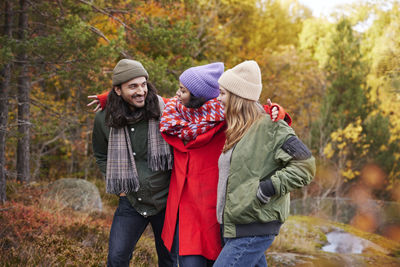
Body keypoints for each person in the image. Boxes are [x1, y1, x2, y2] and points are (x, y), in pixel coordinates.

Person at [214, 60, 316, 267]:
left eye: (223, 93)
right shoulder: (237, 128)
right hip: (235, 225)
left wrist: (268, 187)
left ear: (237, 97)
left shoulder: (272, 126)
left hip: (255, 223)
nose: (218, 98)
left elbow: (305, 165)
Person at [92, 59, 177, 267]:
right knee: (116, 258)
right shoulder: (104, 119)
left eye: (143, 84)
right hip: (131, 200)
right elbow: (101, 154)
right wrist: (119, 187)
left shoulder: (165, 110)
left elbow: (200, 103)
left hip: (166, 200)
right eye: (133, 86)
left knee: (170, 261)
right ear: (118, 90)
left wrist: (270, 109)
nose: (141, 91)